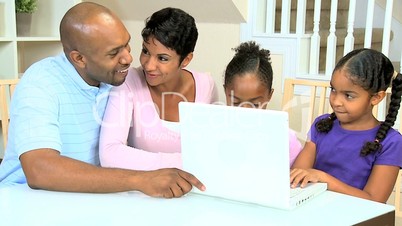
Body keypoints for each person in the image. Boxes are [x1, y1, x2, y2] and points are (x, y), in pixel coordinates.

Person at [0, 2, 205, 198]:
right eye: (114, 53)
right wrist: (140, 179)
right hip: (25, 199)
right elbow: (40, 170)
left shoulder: (114, 79)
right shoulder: (41, 81)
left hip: (88, 199)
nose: (128, 58)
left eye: (126, 45)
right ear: (79, 59)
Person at [99, 7, 218, 170]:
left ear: (186, 60)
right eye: (145, 51)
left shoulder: (206, 86)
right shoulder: (128, 83)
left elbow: (214, 148)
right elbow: (109, 154)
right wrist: (185, 163)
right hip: (143, 193)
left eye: (162, 58)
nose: (148, 65)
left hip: (195, 191)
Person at [290, 48, 402, 203]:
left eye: (348, 95)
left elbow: (374, 200)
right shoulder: (322, 125)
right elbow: (298, 174)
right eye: (333, 90)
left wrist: (324, 179)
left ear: (376, 98)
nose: (336, 101)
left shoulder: (391, 142)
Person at [223, 41, 302, 166]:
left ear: (269, 95)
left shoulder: (284, 138)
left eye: (255, 104)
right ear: (225, 92)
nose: (245, 112)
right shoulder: (215, 129)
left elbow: (297, 174)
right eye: (236, 102)